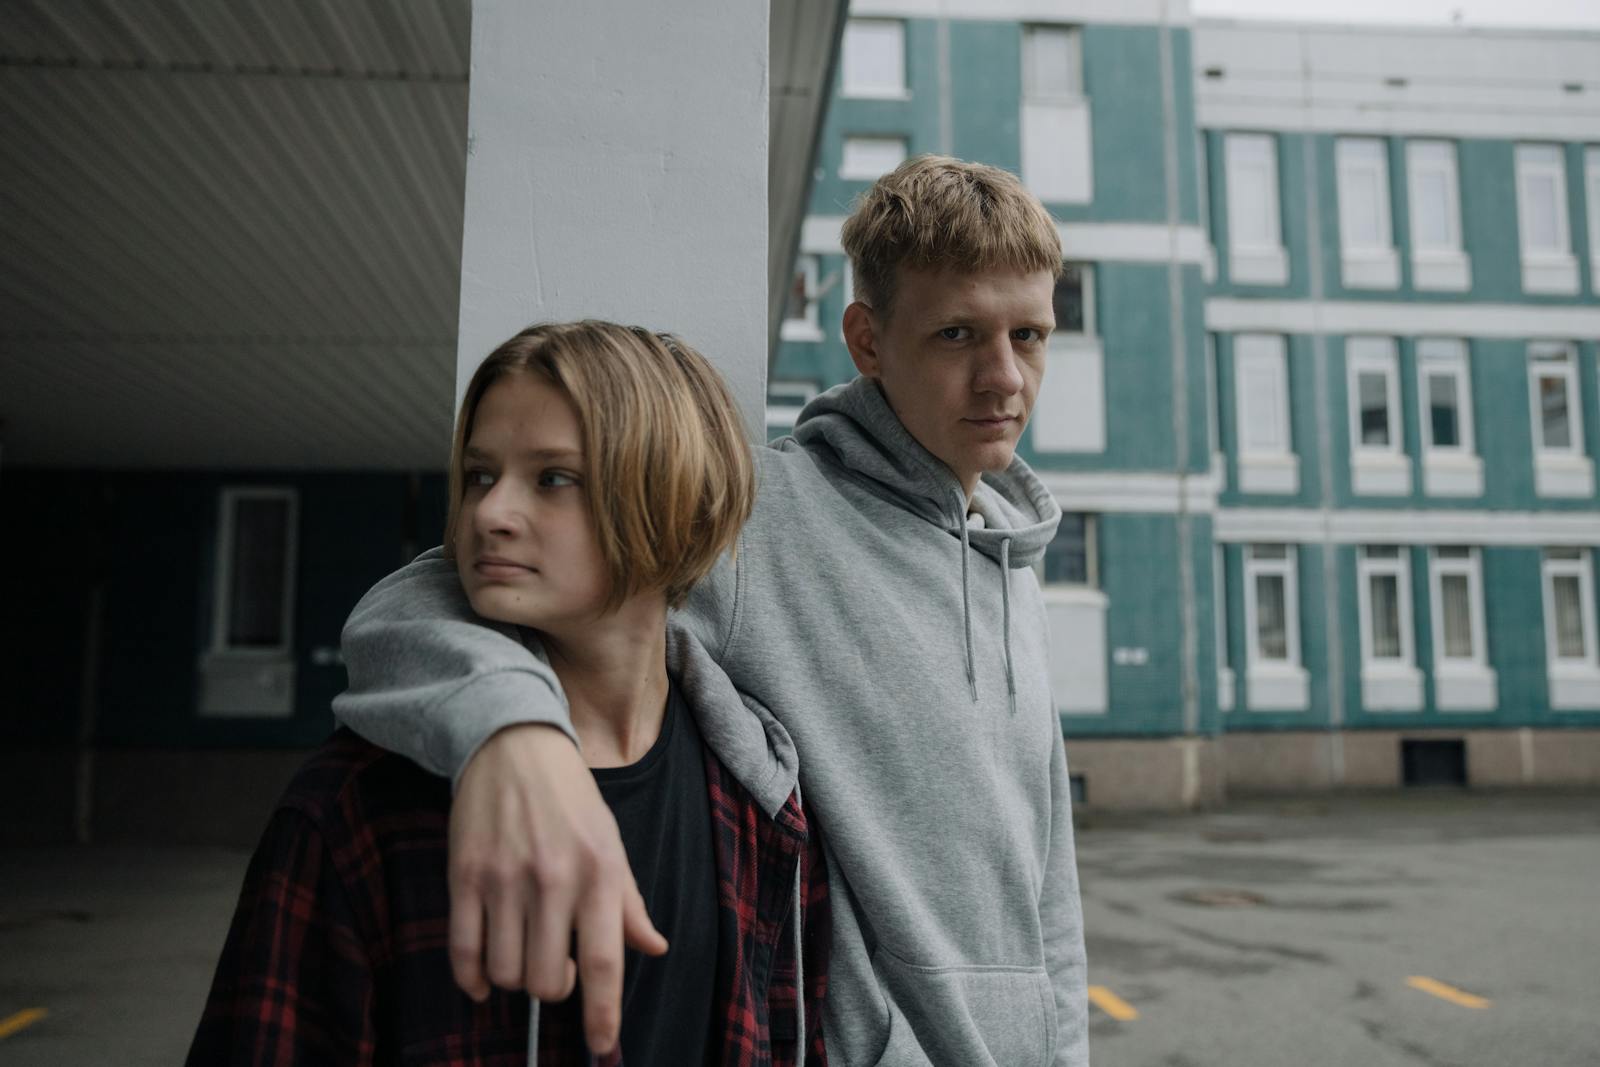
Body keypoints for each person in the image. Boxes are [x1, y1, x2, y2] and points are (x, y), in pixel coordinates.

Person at [337, 155, 1089, 1065]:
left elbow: (1049, 893)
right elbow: (423, 599)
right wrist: (511, 733)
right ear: (868, 339)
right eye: (959, 335)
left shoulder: (1012, 566)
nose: (1004, 378)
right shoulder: (769, 514)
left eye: (1032, 336)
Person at [189, 322, 829, 1066]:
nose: (490, 513)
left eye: (553, 477)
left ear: (674, 500)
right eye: (480, 475)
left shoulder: (759, 799)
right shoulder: (359, 801)